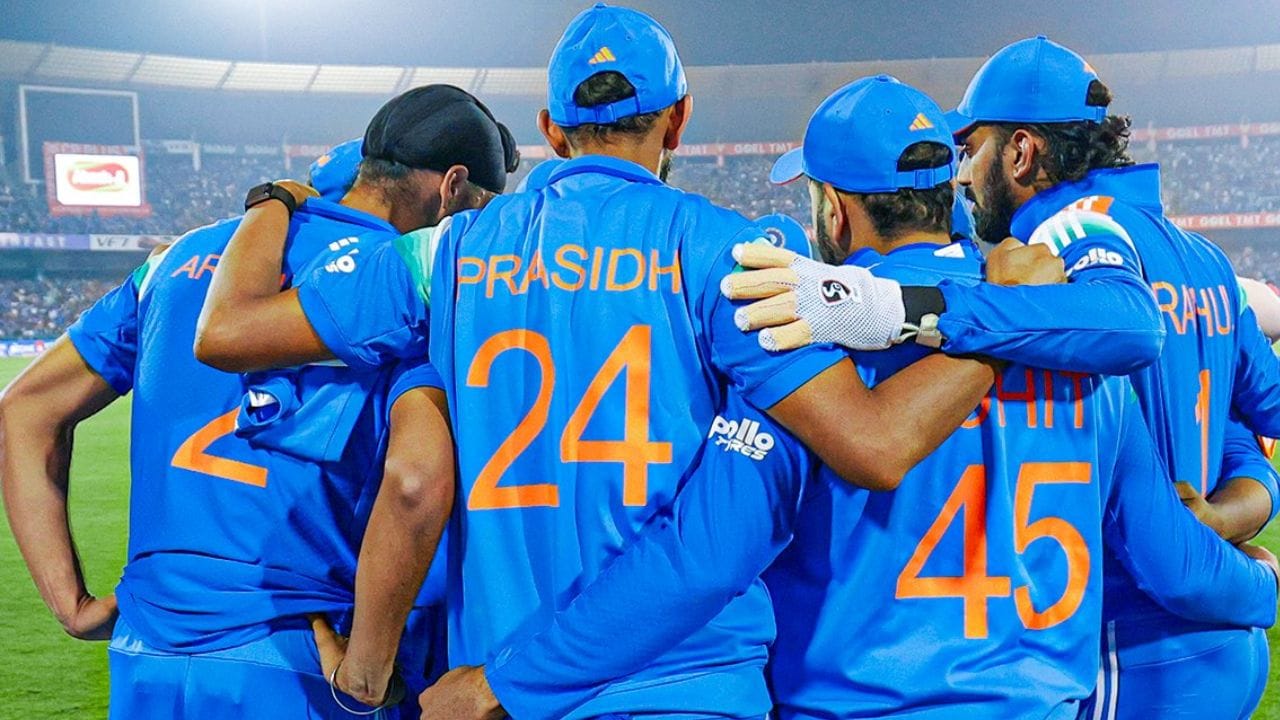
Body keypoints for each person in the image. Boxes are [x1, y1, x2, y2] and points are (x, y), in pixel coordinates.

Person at [417, 75, 1280, 720]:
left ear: (834, 209)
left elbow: (701, 557)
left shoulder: (812, 347)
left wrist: (509, 680)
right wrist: (1263, 584)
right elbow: (1174, 560)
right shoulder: (1076, 356)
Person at [727, 37, 1280, 720]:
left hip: (1126, 645)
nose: (966, 172)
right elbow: (1244, 423)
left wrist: (902, 308)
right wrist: (1245, 530)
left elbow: (1134, 324)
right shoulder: (1175, 278)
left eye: (974, 147)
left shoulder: (1065, 245)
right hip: (1163, 638)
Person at [2, 87, 504, 719]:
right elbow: (414, 481)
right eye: (484, 204)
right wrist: (370, 667)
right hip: (296, 654)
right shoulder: (410, 280)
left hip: (145, 648)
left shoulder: (176, 260)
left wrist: (71, 604)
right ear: (452, 188)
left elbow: (24, 408)